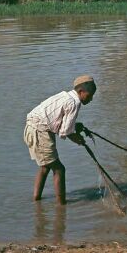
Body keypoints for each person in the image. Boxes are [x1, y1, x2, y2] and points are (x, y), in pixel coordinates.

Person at [23, 75, 96, 203]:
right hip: (40, 131)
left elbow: (60, 122)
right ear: (81, 92)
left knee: (45, 167)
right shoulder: (75, 103)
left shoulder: (66, 96)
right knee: (59, 169)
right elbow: (65, 131)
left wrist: (76, 127)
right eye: (89, 96)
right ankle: (61, 205)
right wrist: (78, 139)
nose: (91, 99)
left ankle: (36, 200)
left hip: (33, 127)